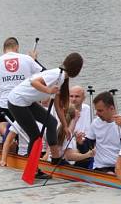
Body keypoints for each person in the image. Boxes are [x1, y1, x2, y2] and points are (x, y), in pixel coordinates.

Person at [7, 52, 83, 180]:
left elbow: (58, 105)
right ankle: (33, 168)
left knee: (52, 122)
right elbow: (34, 82)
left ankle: (55, 158)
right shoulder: (56, 74)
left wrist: (65, 126)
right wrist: (49, 91)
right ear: (76, 69)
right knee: (35, 135)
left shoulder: (63, 77)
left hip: (27, 102)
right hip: (17, 102)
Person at [76, 91, 121, 173]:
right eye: (96, 110)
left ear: (111, 108)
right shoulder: (95, 123)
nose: (97, 114)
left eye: (100, 111)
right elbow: (86, 149)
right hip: (102, 167)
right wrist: (80, 143)